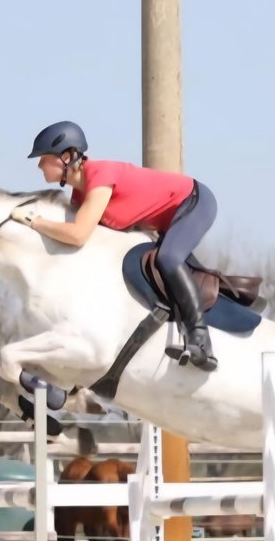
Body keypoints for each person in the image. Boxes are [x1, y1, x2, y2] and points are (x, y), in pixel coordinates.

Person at [13, 120, 219, 372]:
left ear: (66, 157)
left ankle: (200, 340)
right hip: (168, 222)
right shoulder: (81, 195)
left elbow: (78, 235)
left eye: (44, 158)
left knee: (168, 258)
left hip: (194, 201)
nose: (39, 165)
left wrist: (35, 222)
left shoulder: (99, 177)